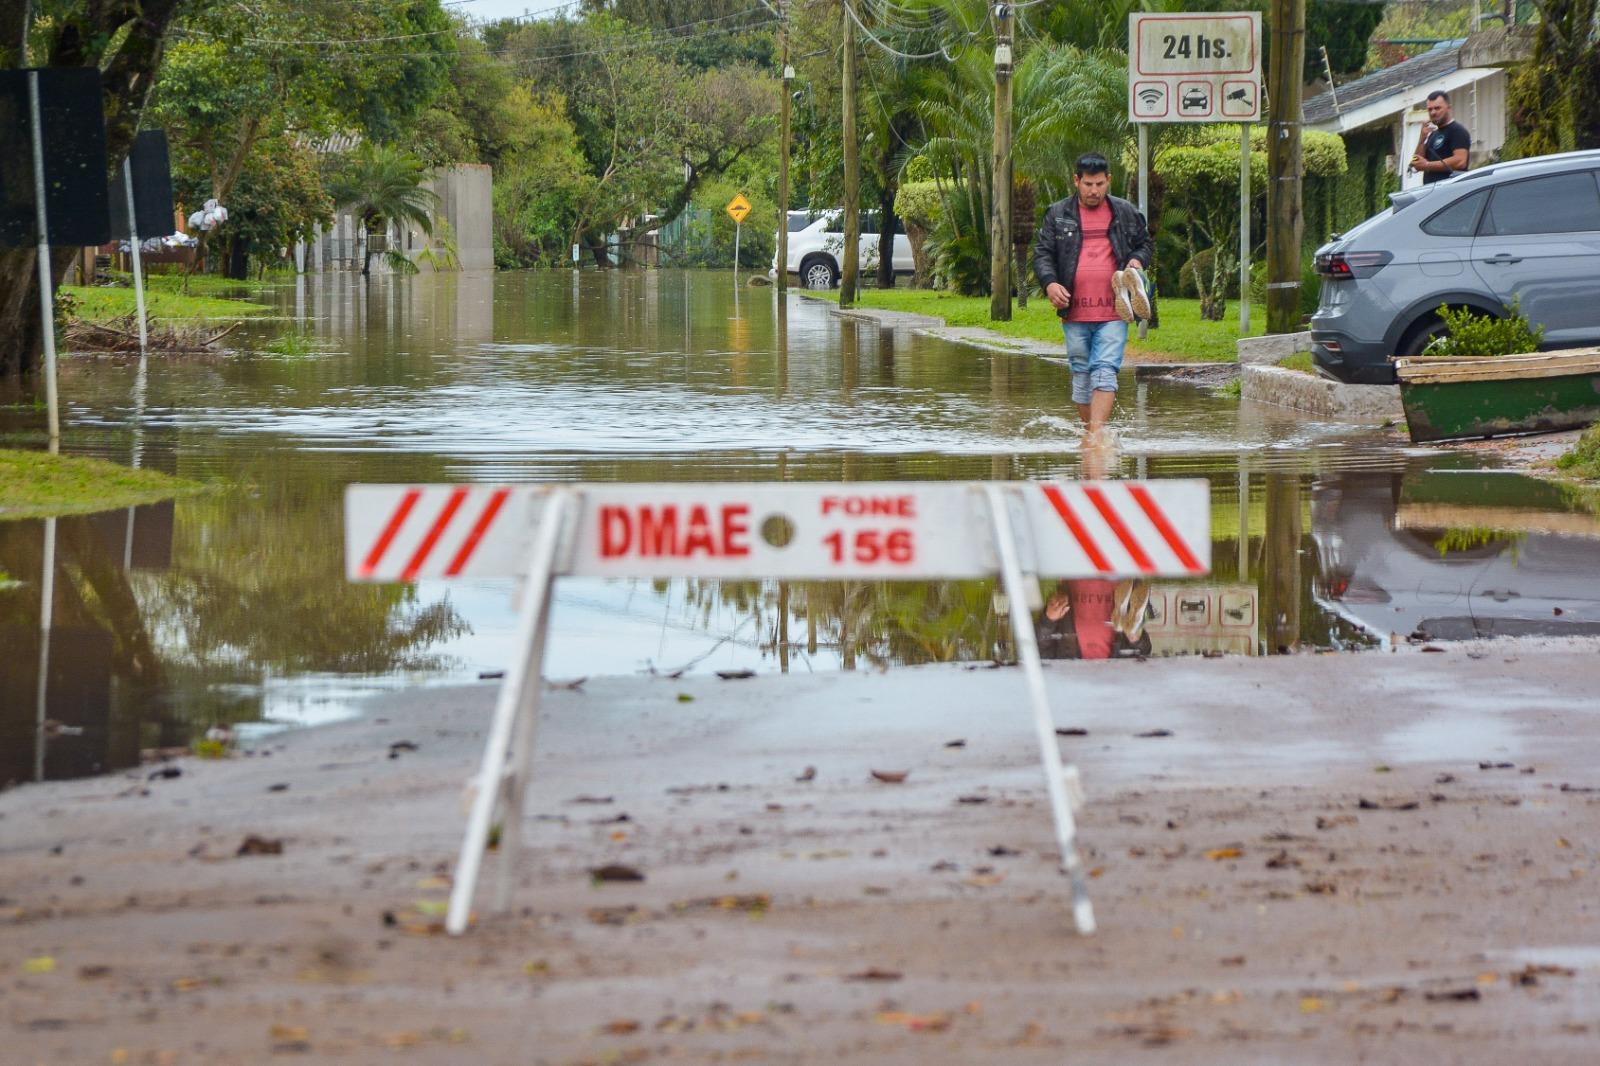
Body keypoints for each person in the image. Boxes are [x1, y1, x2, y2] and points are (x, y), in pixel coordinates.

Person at [1033, 153, 1156, 440]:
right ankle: (1092, 434)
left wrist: (1137, 261)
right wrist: (1050, 284)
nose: (1094, 190)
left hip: (1116, 311)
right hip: (1074, 310)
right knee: (1081, 372)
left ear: (1108, 180)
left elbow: (1144, 244)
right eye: (1088, 184)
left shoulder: (1124, 212)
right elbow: (1043, 254)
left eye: (1100, 184)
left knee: (1105, 369)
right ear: (1076, 181)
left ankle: (1096, 435)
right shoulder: (1057, 213)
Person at [1410, 90, 1470, 184]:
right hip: (1431, 191)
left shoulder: (1457, 131)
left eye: (1437, 108)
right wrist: (1421, 140)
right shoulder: (1433, 134)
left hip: (1451, 192)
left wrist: (1427, 165)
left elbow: (1460, 161)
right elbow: (1416, 162)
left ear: (1448, 108)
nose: (1433, 112)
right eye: (1430, 109)